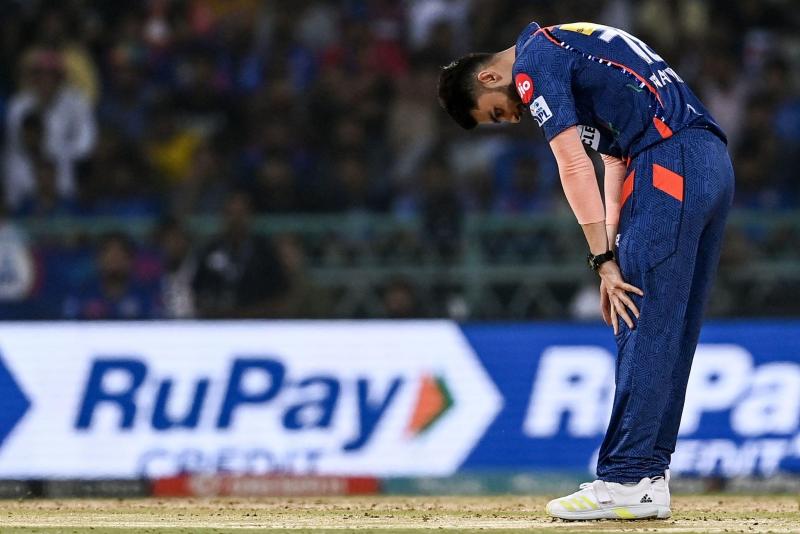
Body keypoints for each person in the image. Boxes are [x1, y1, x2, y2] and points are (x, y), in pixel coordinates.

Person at [438, 21, 734, 520]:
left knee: (642, 322)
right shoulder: (574, 47)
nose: (512, 117)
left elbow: (573, 165)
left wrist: (600, 260)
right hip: (709, 162)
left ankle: (625, 479)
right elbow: (614, 159)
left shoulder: (535, 60)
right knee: (673, 331)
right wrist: (614, 250)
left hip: (667, 161)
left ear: (489, 78)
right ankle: (648, 476)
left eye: (497, 112)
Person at [192, 191, 291, 318]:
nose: (236, 220)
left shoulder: (265, 251)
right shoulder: (209, 250)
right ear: (223, 216)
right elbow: (196, 291)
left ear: (250, 216)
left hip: (258, 322)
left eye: (240, 214)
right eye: (231, 214)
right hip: (217, 323)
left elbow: (281, 294)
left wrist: (251, 313)